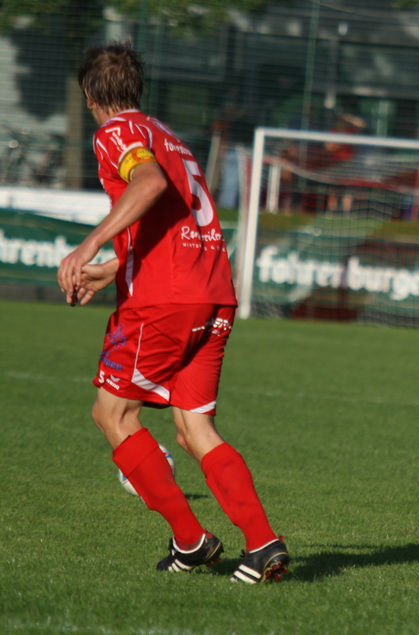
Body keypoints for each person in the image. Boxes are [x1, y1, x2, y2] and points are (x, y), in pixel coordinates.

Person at [57, 42, 289, 583]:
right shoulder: (168, 136)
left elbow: (149, 184)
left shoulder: (116, 132)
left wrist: (89, 245)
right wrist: (116, 266)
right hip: (212, 293)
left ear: (89, 96)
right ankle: (263, 544)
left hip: (165, 301)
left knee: (113, 416)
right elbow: (173, 219)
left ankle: (192, 539)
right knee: (193, 428)